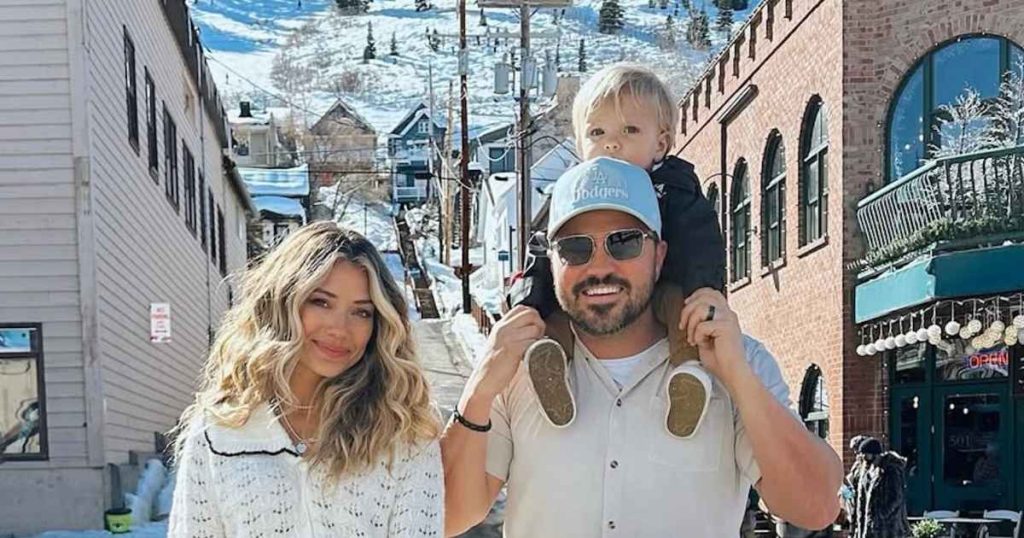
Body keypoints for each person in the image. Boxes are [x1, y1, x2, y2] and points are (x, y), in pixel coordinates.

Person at [442, 157, 843, 537]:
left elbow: (815, 506)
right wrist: (478, 391)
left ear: (659, 255)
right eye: (575, 248)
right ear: (552, 262)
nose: (600, 267)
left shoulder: (737, 360)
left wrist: (738, 378)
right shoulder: (516, 368)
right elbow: (446, 515)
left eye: (624, 242)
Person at [168, 223, 443, 537]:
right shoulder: (219, 430)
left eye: (362, 312)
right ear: (283, 302)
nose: (339, 329)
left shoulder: (402, 430)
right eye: (321, 302)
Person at [507, 63, 726, 439]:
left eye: (629, 130)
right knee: (556, 312)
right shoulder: (574, 193)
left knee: (683, 315)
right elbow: (546, 252)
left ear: (661, 143)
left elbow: (701, 241)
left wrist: (705, 290)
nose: (612, 143)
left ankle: (689, 377)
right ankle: (551, 367)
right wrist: (526, 301)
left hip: (667, 287)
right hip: (594, 300)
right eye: (597, 132)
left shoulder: (673, 189)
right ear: (580, 145)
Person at [851, 437, 911, 538]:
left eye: (866, 454)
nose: (863, 457)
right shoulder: (868, 471)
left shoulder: (890, 470)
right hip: (871, 527)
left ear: (874, 454)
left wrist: (880, 515)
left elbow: (896, 497)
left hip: (888, 528)